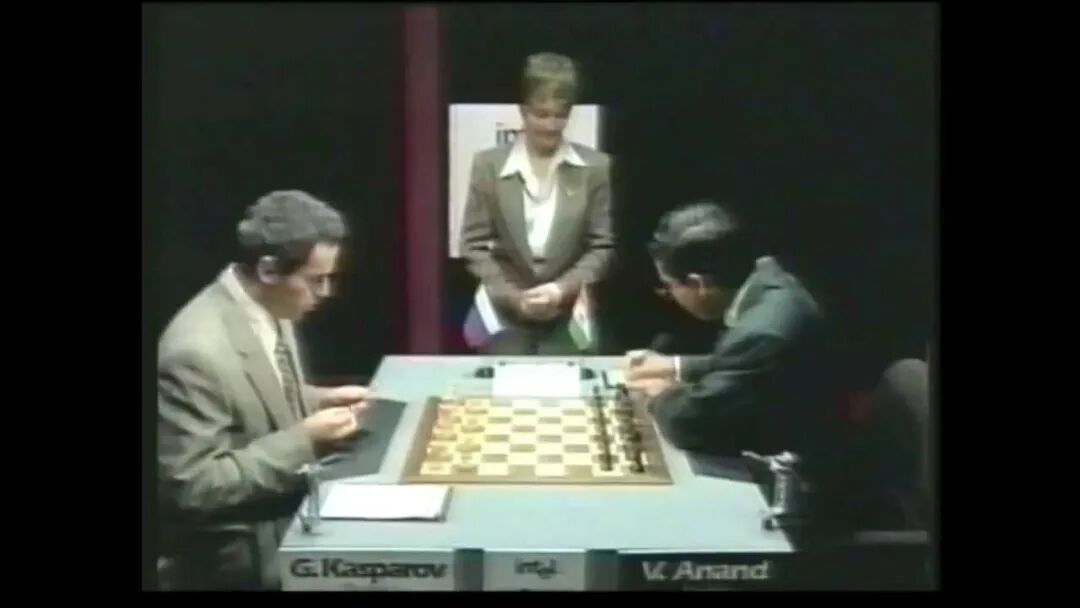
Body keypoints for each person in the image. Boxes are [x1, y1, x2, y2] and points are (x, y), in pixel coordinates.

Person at [157, 190, 370, 590]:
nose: (326, 292)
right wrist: (305, 439)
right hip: (239, 557)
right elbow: (192, 486)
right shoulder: (195, 352)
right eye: (315, 280)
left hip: (284, 511)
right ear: (269, 270)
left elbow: (251, 398)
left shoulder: (269, 305)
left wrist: (315, 399)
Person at [623, 200, 845, 476]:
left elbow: (692, 424)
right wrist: (677, 367)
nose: (670, 296)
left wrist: (661, 395)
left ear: (699, 284)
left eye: (669, 286)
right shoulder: (770, 278)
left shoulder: (761, 333)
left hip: (808, 474)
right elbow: (747, 366)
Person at [460, 52, 614, 354]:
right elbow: (473, 246)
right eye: (541, 115)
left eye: (560, 115)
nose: (551, 125)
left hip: (568, 319)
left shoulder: (596, 168)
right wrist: (514, 297)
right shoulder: (488, 165)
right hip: (505, 318)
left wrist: (560, 290)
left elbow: (602, 248)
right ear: (522, 111)